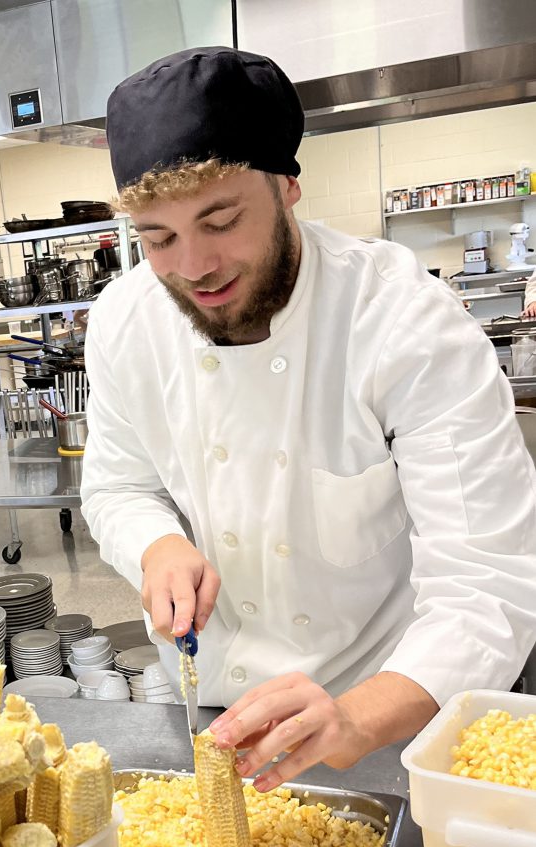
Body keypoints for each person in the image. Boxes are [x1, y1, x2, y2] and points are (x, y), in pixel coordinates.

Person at [80, 47, 536, 790]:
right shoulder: (125, 320)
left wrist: (358, 716)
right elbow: (115, 485)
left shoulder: (399, 320)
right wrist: (157, 545)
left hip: (390, 709)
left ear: (287, 187)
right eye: (157, 239)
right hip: (212, 712)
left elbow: (488, 581)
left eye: (219, 219)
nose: (193, 266)